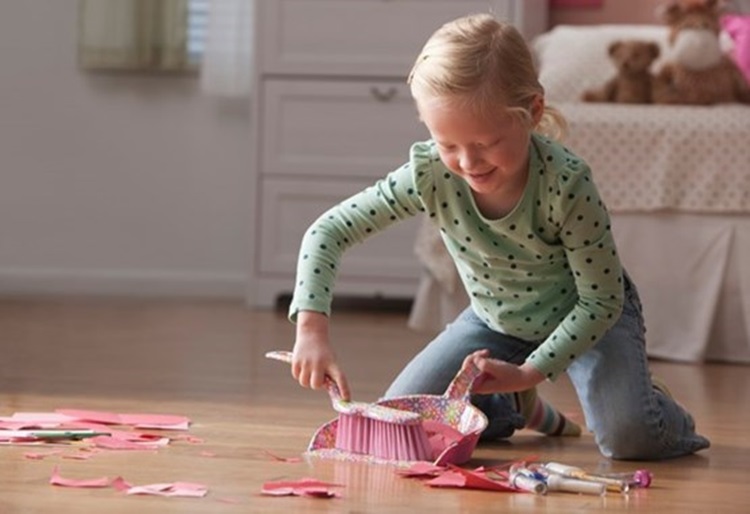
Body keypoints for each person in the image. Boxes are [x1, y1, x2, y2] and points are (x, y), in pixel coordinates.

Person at [287, 13, 710, 460]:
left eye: (486, 142)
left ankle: (650, 403)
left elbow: (601, 302)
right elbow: (329, 230)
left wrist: (531, 372)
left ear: (532, 111)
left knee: (628, 438)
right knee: (412, 430)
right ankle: (511, 407)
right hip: (495, 320)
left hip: (592, 323)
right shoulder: (429, 173)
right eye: (448, 144)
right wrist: (311, 330)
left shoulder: (566, 183)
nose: (468, 162)